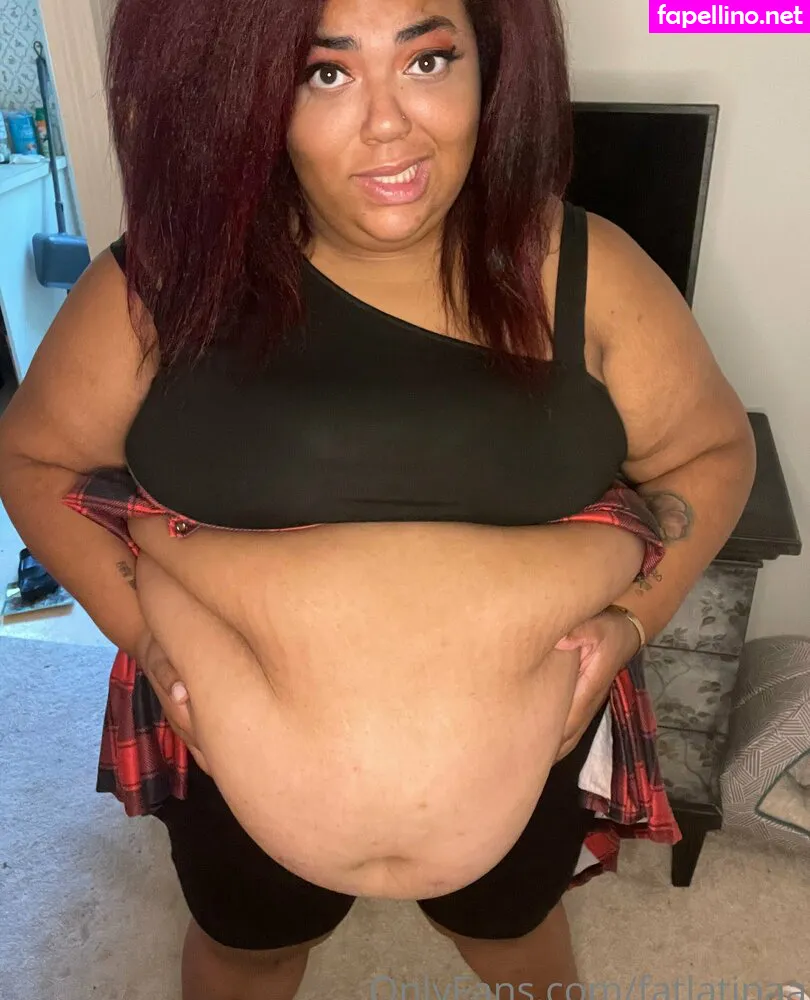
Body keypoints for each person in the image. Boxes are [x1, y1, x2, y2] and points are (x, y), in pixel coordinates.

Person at [0, 0, 756, 996]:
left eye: (429, 60)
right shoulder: (164, 281)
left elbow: (711, 453)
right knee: (249, 951)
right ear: (251, 94)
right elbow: (35, 461)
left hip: (532, 761)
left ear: (492, 64)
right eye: (326, 74)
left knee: (518, 942)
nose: (390, 123)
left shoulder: (587, 269)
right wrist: (142, 632)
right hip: (227, 766)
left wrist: (633, 620)